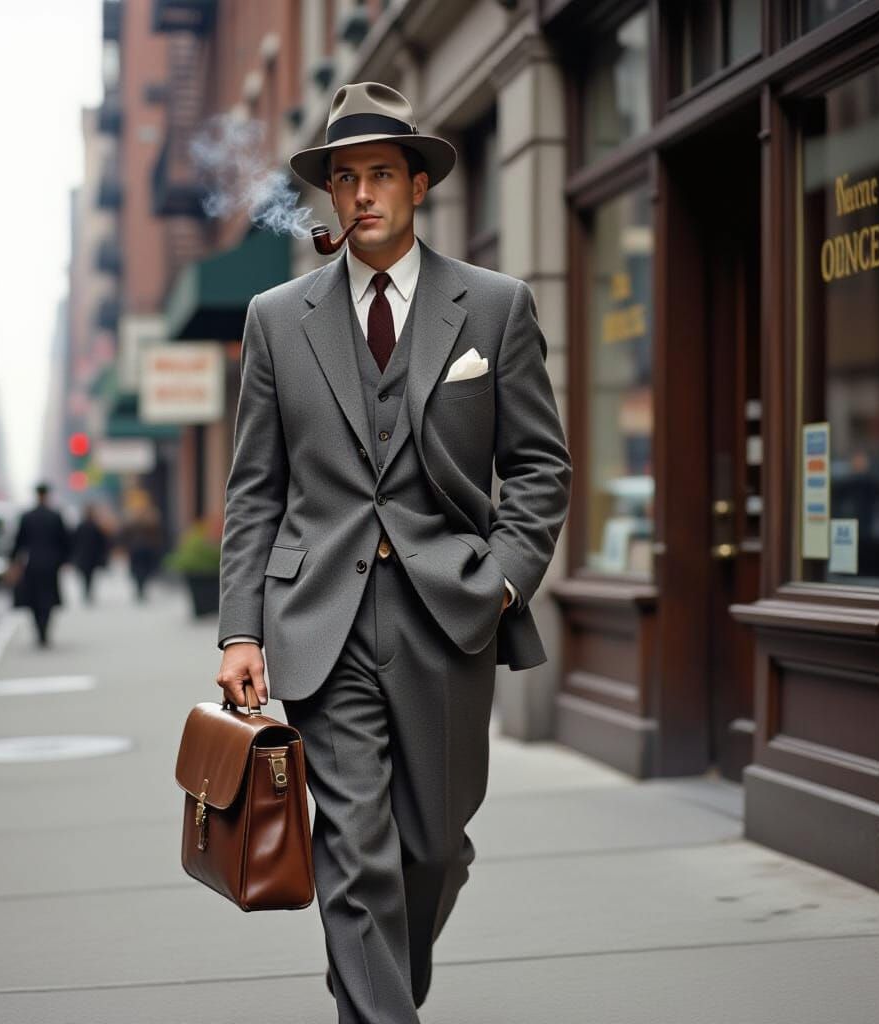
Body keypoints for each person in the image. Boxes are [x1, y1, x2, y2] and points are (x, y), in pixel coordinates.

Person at [215, 82, 571, 1023]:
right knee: (354, 849)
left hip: (447, 616)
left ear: (417, 184)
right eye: (345, 178)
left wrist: (502, 579)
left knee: (433, 849)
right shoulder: (275, 319)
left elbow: (538, 467)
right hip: (319, 618)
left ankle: (369, 993)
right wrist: (238, 630)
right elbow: (255, 489)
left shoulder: (493, 308)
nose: (362, 193)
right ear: (330, 195)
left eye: (380, 174)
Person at [9, 482, 71, 647]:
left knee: (34, 599)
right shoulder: (55, 516)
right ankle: (45, 630)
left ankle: (39, 631)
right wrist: (65, 561)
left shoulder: (27, 516)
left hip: (32, 563)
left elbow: (18, 542)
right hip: (51, 564)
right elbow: (64, 541)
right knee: (48, 599)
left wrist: (13, 562)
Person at [120, 503, 163, 602]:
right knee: (138, 571)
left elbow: (157, 535)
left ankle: (141, 588)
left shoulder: (148, 523)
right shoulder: (134, 523)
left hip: (144, 550)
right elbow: (125, 535)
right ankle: (140, 588)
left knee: (144, 570)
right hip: (136, 550)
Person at [71, 503, 109, 603]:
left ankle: (87, 592)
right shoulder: (95, 526)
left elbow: (74, 541)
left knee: (86, 575)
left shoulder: (81, 526)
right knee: (89, 575)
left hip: (84, 555)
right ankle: (88, 592)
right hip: (91, 555)